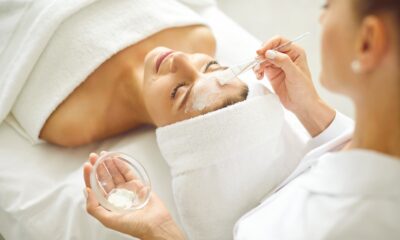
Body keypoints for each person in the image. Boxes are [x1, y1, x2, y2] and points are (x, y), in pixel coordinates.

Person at [83, 0, 400, 239]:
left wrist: (161, 231)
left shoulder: (336, 225)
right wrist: (312, 109)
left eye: (328, 6)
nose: (321, 17)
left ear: (367, 42)